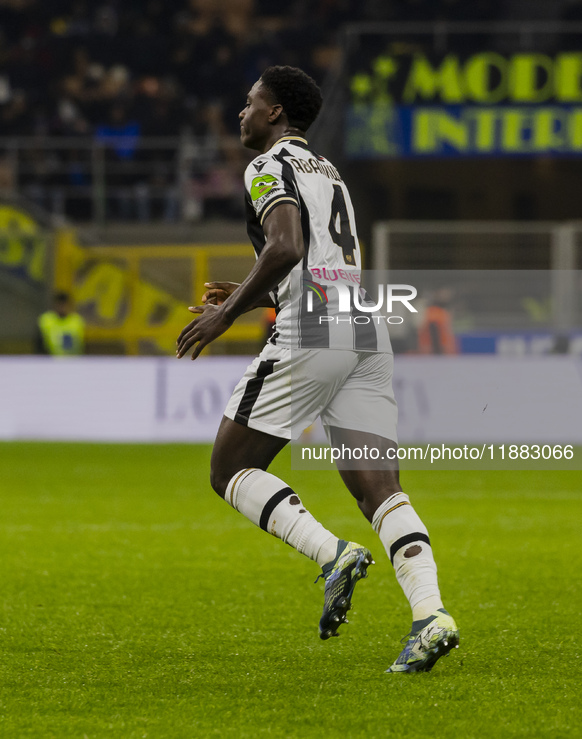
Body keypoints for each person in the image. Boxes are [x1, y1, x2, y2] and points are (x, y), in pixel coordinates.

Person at [176, 66, 459, 673]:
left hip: (315, 328)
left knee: (230, 468)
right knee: (381, 490)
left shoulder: (266, 165)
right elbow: (318, 264)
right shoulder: (329, 172)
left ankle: (333, 556)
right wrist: (258, 296)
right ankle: (431, 616)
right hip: (361, 323)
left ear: (277, 114)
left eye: (251, 103)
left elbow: (286, 247)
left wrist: (226, 313)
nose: (242, 113)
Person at [35, 291, 85, 356]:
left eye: (64, 305)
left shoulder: (76, 321)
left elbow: (82, 344)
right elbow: (39, 344)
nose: (62, 308)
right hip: (51, 361)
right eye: (59, 304)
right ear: (54, 305)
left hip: (73, 361)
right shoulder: (46, 320)